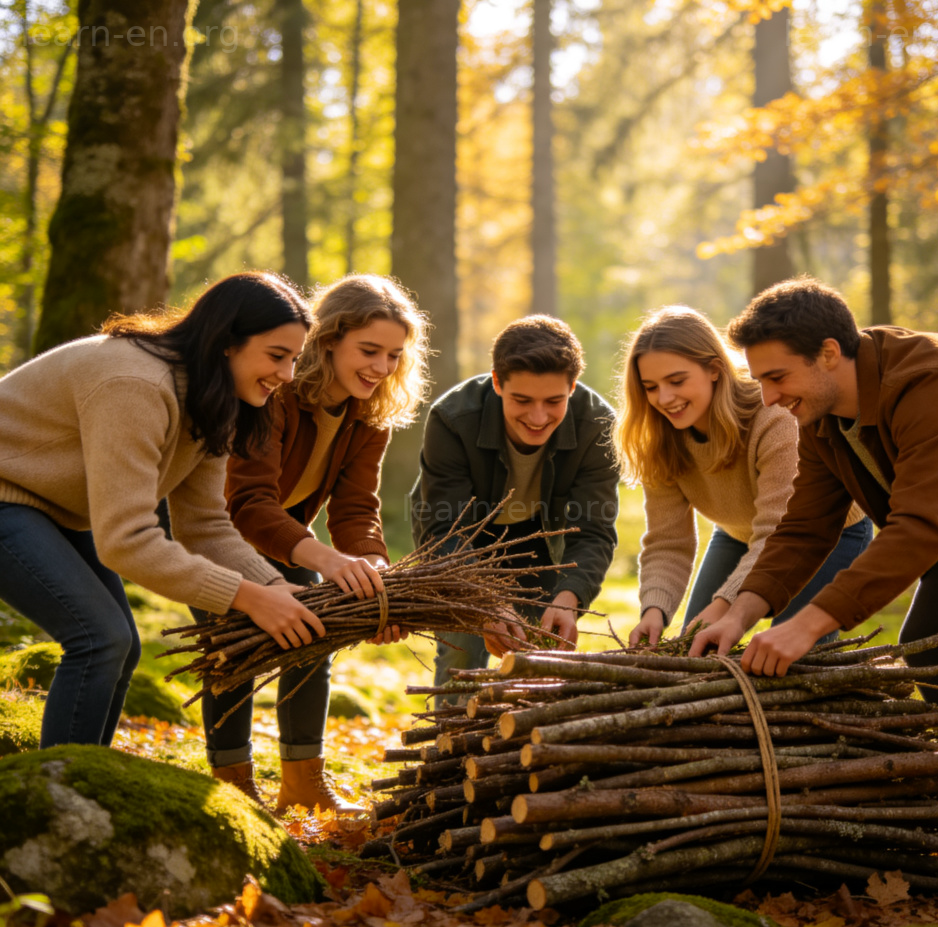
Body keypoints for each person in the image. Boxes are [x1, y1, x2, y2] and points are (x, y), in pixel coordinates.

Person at [690, 276, 938, 873]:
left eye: (776, 377)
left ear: (827, 353)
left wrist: (810, 625)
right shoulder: (824, 415)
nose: (767, 398)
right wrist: (740, 609)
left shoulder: (934, 381)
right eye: (760, 379)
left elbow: (920, 526)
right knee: (932, 650)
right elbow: (804, 528)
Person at [0, 272, 326, 750]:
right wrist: (250, 598)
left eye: (294, 359)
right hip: (8, 496)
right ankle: (62, 794)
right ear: (225, 343)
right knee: (100, 638)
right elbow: (125, 540)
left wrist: (276, 589)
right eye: (277, 356)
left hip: (52, 508)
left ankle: (87, 779)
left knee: (121, 646)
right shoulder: (134, 383)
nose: (288, 376)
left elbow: (206, 527)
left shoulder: (214, 399)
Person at [220, 274, 430, 813]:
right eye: (369, 350)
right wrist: (330, 562)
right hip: (220, 529)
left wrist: (378, 573)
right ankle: (233, 787)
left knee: (313, 637)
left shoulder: (370, 414)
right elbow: (248, 502)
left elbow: (356, 508)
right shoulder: (275, 393)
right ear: (329, 338)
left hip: (289, 528)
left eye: (393, 355)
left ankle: (302, 783)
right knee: (231, 650)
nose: (381, 367)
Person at [614, 306, 872, 648]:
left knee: (793, 653)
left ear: (714, 370)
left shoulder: (773, 417)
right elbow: (668, 541)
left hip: (828, 533)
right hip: (738, 533)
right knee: (695, 642)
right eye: (650, 387)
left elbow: (778, 531)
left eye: (677, 381)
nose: (664, 398)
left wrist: (725, 607)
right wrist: (654, 611)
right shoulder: (660, 439)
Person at [410, 314, 618, 685]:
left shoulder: (598, 425)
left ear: (572, 387)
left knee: (538, 648)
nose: (538, 417)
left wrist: (570, 596)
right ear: (497, 383)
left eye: (554, 401)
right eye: (522, 400)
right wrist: (485, 603)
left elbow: (594, 529)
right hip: (458, 531)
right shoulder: (452, 417)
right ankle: (449, 739)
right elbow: (444, 527)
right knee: (463, 647)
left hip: (539, 532)